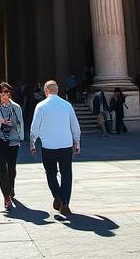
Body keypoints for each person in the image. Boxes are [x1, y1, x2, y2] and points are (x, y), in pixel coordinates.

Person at [29, 80, 80, 217]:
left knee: (50, 173)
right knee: (66, 174)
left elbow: (35, 126)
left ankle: (57, 196)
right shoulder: (67, 105)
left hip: (48, 146)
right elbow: (75, 125)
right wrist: (77, 141)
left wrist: (32, 142)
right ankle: (65, 203)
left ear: (46, 91)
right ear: (57, 90)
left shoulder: (41, 106)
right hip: (66, 145)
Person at [0, 82, 24, 210]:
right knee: (2, 168)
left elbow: (20, 123)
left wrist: (14, 128)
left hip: (12, 139)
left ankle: (10, 187)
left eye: (7, 92)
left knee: (11, 168)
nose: (5, 94)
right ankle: (6, 197)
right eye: (3, 92)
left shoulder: (16, 107)